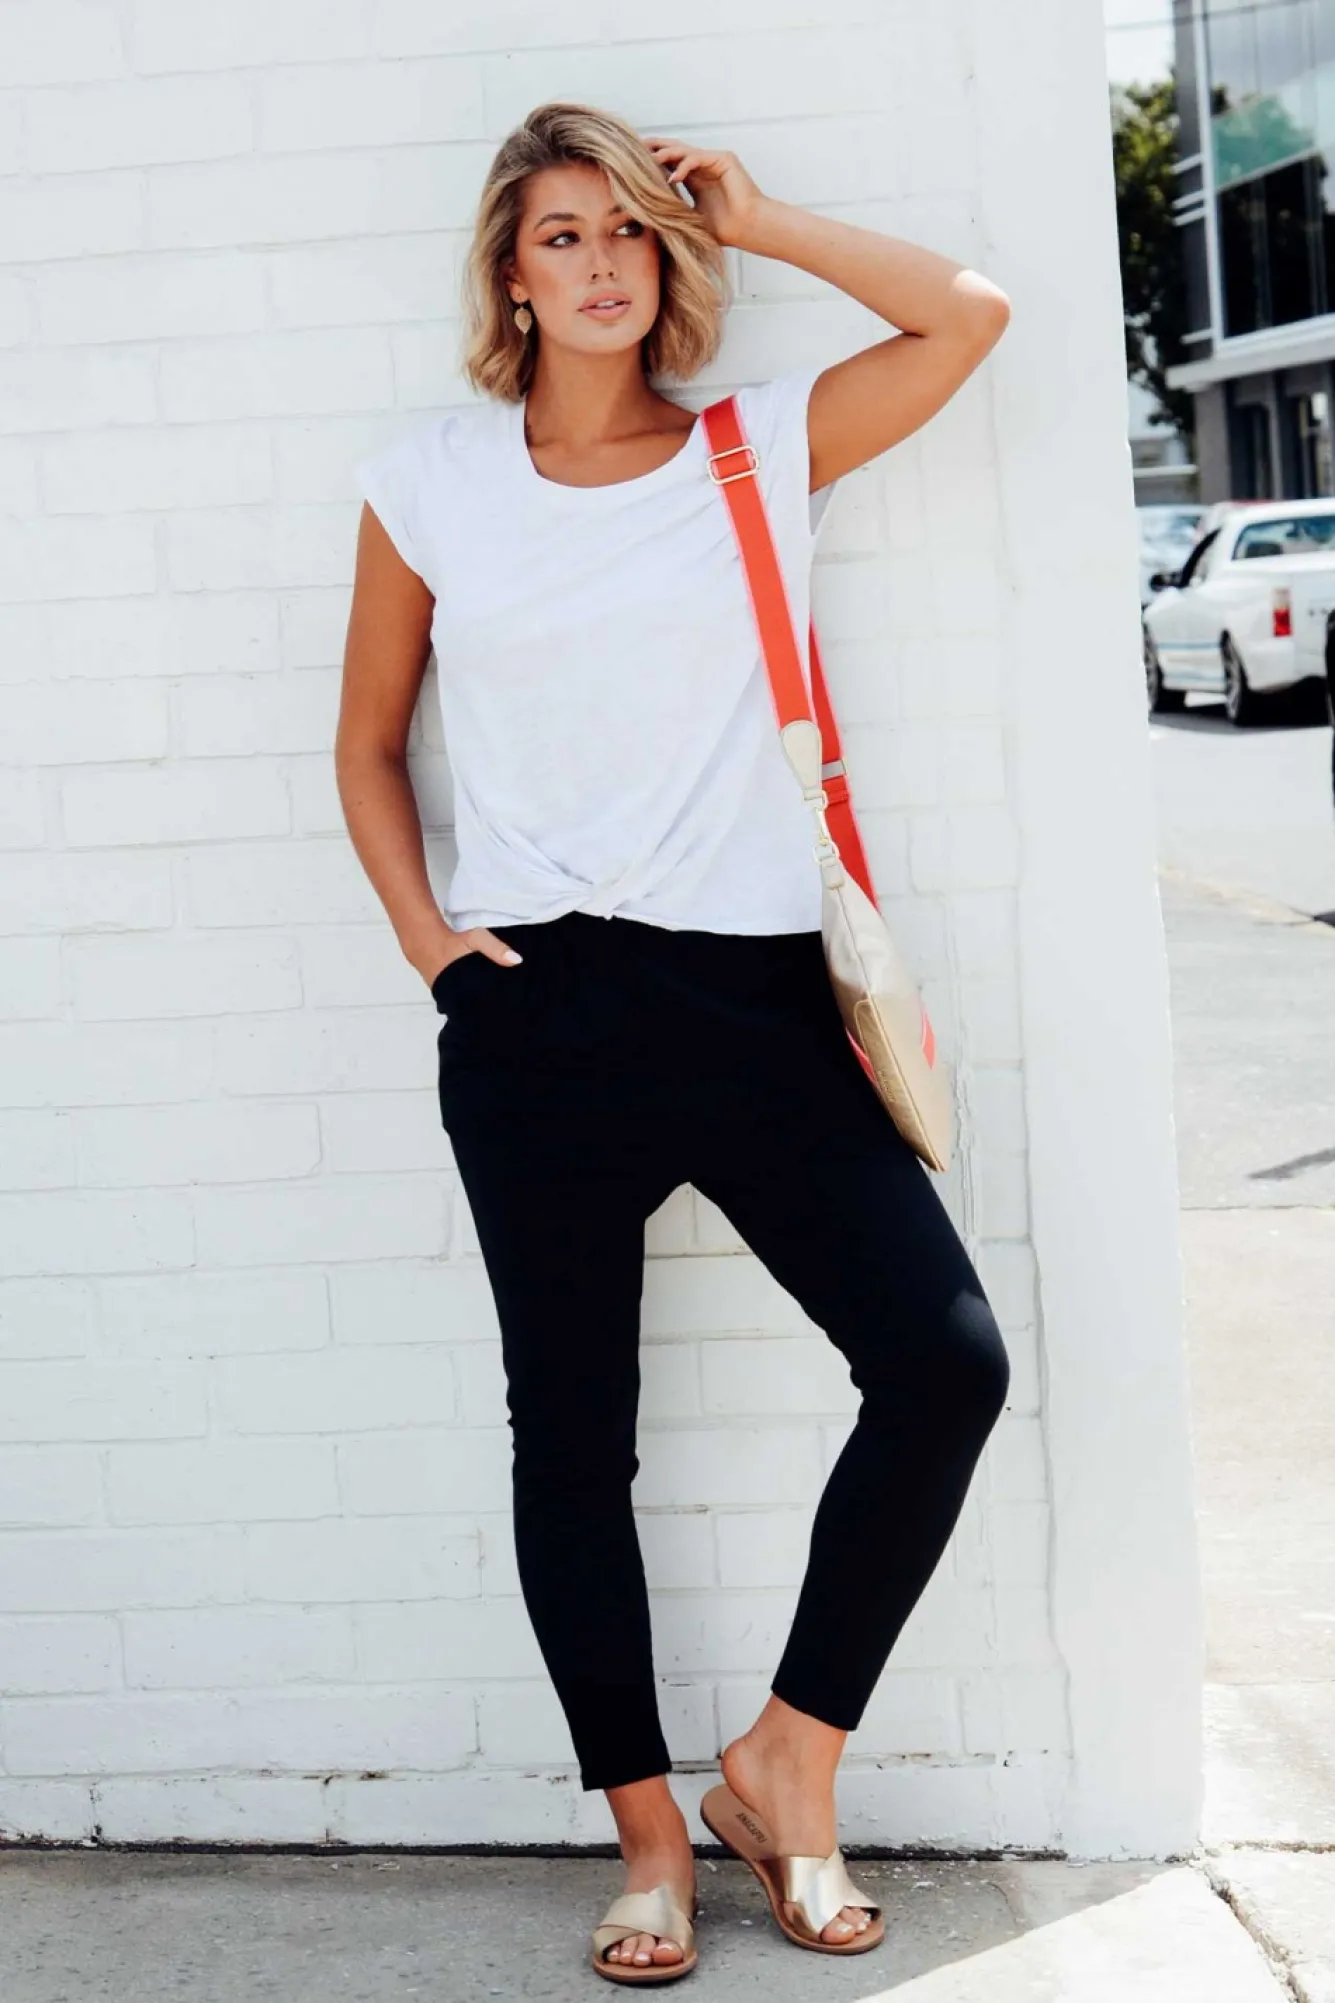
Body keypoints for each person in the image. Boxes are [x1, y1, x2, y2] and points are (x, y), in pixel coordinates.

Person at [337, 101, 1012, 1985]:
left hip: (755, 997)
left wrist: (765, 214)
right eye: (561, 233)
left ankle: (785, 1764)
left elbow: (966, 317)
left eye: (630, 227)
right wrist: (436, 952)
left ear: (668, 256)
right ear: (509, 273)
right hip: (538, 1016)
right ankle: (646, 1837)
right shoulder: (431, 483)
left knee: (942, 1363)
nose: (600, 262)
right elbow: (367, 742)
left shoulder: (756, 445)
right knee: (572, 1440)